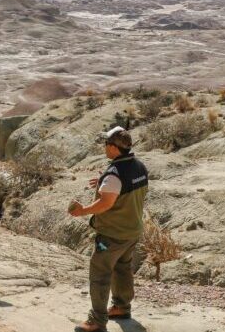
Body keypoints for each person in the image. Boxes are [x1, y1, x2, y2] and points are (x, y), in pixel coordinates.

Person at [69, 126, 149, 332]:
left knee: (100, 273)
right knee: (123, 268)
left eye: (106, 144)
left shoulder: (114, 174)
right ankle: (122, 308)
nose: (104, 147)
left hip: (112, 234)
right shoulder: (138, 166)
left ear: (114, 148)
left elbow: (106, 203)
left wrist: (83, 210)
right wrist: (104, 181)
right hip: (132, 231)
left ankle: (97, 321)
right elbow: (122, 188)